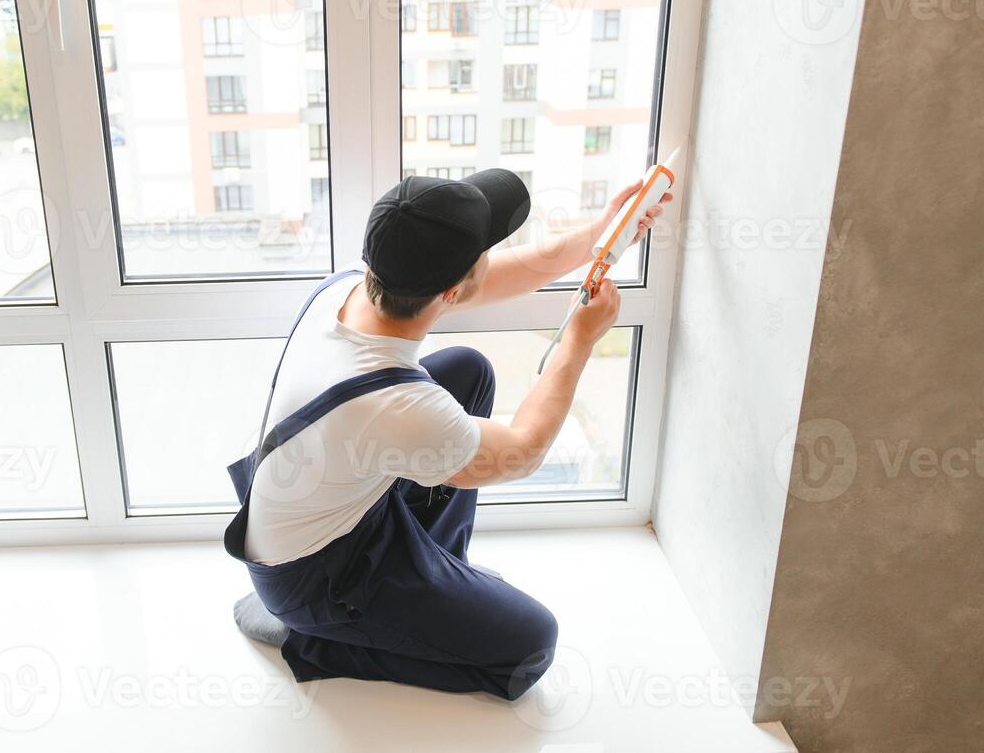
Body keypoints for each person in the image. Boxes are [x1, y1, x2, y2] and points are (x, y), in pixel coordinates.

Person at [223, 168, 671, 700]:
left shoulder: (352, 282)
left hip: (323, 503)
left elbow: (497, 275)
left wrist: (599, 237)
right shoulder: (398, 405)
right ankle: (317, 637)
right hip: (317, 579)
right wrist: (579, 341)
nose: (492, 253)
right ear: (452, 291)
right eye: (484, 247)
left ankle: (437, 579)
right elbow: (523, 452)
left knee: (467, 370)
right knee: (531, 646)